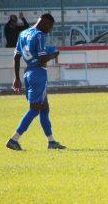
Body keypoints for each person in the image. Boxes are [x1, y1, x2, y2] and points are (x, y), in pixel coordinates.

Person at [6, 13, 66, 151]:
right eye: (50, 27)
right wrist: (54, 54)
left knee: (44, 108)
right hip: (38, 73)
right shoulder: (39, 35)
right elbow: (42, 60)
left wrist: (16, 78)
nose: (49, 30)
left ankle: (51, 142)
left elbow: (16, 57)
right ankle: (13, 139)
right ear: (44, 23)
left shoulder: (23, 33)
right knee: (34, 109)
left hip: (28, 73)